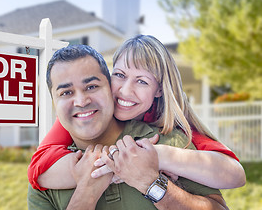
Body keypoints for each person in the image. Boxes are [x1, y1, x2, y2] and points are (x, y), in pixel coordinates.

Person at [28, 35, 245, 191]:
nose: (125, 90)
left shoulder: (172, 125)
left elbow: (234, 174)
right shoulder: (90, 113)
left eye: (142, 81)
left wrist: (160, 156)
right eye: (120, 75)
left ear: (159, 89)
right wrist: (119, 163)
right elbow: (38, 167)